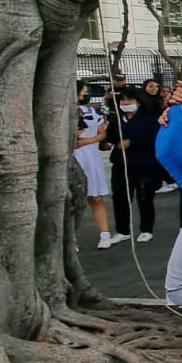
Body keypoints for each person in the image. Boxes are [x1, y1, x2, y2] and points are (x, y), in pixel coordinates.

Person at [103, 88, 161, 242]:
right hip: (120, 164)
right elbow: (109, 136)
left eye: (129, 100)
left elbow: (154, 140)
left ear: (138, 102)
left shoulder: (149, 119)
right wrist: (105, 143)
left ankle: (146, 228)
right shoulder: (117, 119)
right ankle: (122, 230)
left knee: (144, 197)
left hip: (143, 164)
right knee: (120, 197)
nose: (126, 103)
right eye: (123, 100)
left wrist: (132, 143)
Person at [76, 81, 116, 248]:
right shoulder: (64, 112)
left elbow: (102, 133)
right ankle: (71, 239)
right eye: (84, 92)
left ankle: (105, 234)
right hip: (74, 158)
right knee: (72, 201)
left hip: (91, 156)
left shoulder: (91, 111)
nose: (87, 95)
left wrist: (88, 141)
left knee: (96, 197)